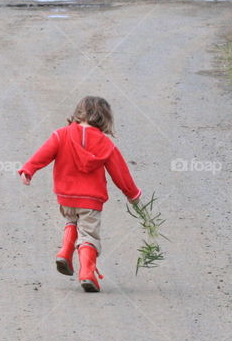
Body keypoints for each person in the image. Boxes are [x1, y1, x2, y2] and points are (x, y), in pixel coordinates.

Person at [18, 96, 141, 292]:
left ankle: (65, 252)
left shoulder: (61, 135)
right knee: (89, 235)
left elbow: (44, 153)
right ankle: (87, 272)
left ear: (78, 113)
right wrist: (132, 194)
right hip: (91, 200)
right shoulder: (106, 144)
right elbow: (120, 173)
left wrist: (28, 169)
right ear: (104, 119)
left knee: (71, 221)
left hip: (66, 197)